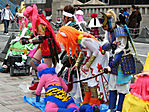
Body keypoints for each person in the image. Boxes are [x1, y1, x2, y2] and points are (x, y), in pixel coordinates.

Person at [56, 26, 109, 106]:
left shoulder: (83, 40)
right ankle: (86, 99)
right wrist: (77, 64)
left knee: (92, 78)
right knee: (83, 76)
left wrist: (88, 65)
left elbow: (95, 51)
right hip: (91, 56)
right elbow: (83, 52)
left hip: (98, 57)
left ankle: (94, 100)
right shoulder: (78, 41)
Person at [100, 9, 135, 112]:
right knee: (112, 86)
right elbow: (104, 46)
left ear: (110, 22)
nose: (104, 28)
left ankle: (120, 109)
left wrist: (110, 65)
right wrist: (111, 45)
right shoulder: (108, 33)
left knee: (122, 88)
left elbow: (120, 51)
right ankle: (111, 108)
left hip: (123, 62)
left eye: (105, 25)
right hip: (113, 61)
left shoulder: (120, 31)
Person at [23, 4, 61, 90]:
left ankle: (50, 86)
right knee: (33, 62)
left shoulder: (40, 22)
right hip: (43, 44)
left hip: (47, 45)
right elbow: (37, 32)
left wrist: (29, 41)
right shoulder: (37, 20)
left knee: (48, 69)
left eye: (28, 17)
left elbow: (42, 38)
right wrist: (29, 37)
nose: (28, 19)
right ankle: (37, 81)